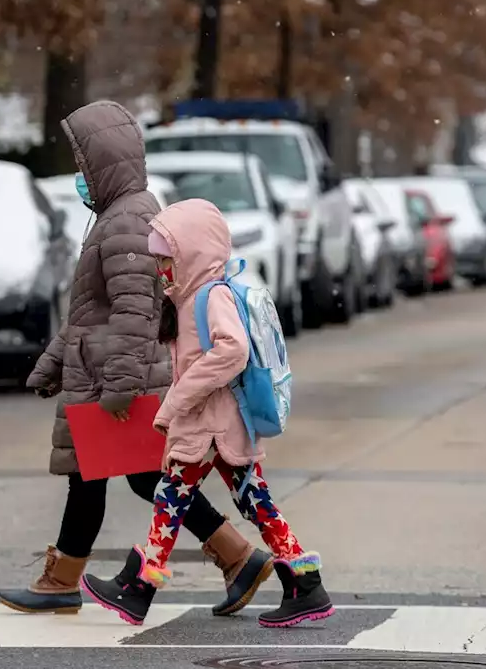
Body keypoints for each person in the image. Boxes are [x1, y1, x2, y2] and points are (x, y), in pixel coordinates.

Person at [0, 101, 273, 617]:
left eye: (83, 164)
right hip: (105, 370)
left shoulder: (126, 219)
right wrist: (53, 362)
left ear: (103, 161)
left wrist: (120, 383)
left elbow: (134, 310)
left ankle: (62, 583)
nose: (80, 175)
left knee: (108, 476)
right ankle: (237, 557)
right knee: (134, 476)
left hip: (120, 376)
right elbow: (91, 312)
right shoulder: (117, 216)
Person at [80, 198, 333, 628]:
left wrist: (177, 400)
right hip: (216, 426)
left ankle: (140, 587)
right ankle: (305, 585)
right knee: (250, 503)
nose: (161, 269)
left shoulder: (212, 295)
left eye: (167, 259)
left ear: (190, 253)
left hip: (210, 426)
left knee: (173, 498)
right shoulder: (187, 298)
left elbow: (230, 350)